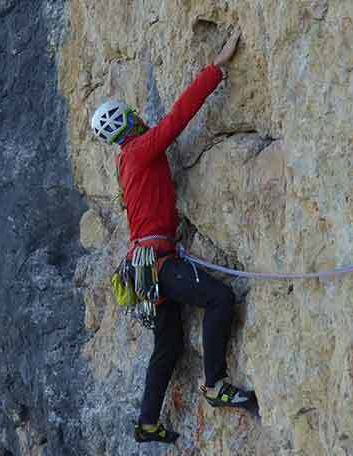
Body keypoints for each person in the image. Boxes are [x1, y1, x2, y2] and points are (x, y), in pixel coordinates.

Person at [90, 30, 254, 445]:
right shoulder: (141, 151)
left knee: (169, 346)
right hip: (157, 265)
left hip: (144, 268)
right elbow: (178, 119)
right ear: (127, 122)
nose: (138, 118)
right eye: (130, 116)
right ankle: (215, 386)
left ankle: (147, 423)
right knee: (220, 298)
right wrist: (216, 68)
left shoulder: (124, 163)